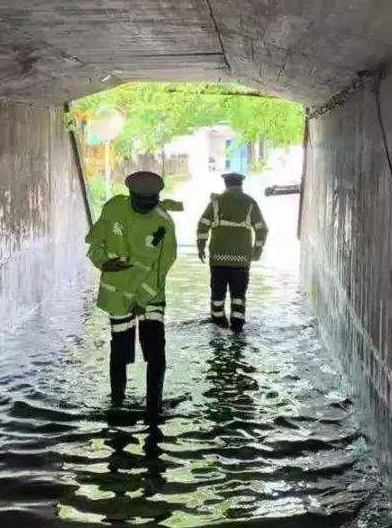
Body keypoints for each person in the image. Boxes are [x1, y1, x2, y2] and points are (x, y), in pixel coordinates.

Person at [86, 171, 177, 407]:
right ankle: (117, 401)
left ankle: (154, 404)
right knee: (120, 351)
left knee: (156, 351)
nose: (145, 208)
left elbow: (163, 266)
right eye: (140, 204)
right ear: (130, 195)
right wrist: (102, 261)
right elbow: (96, 240)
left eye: (151, 204)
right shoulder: (113, 208)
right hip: (117, 295)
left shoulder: (164, 223)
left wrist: (143, 297)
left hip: (150, 295)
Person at [196, 172, 268, 333]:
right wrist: (257, 250)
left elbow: (202, 225)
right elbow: (262, 229)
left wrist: (200, 245)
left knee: (217, 295)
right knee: (238, 296)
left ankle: (218, 323)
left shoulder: (215, 203)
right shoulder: (250, 203)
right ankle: (237, 326)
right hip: (241, 261)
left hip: (218, 260)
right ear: (241, 185)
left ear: (226, 184)